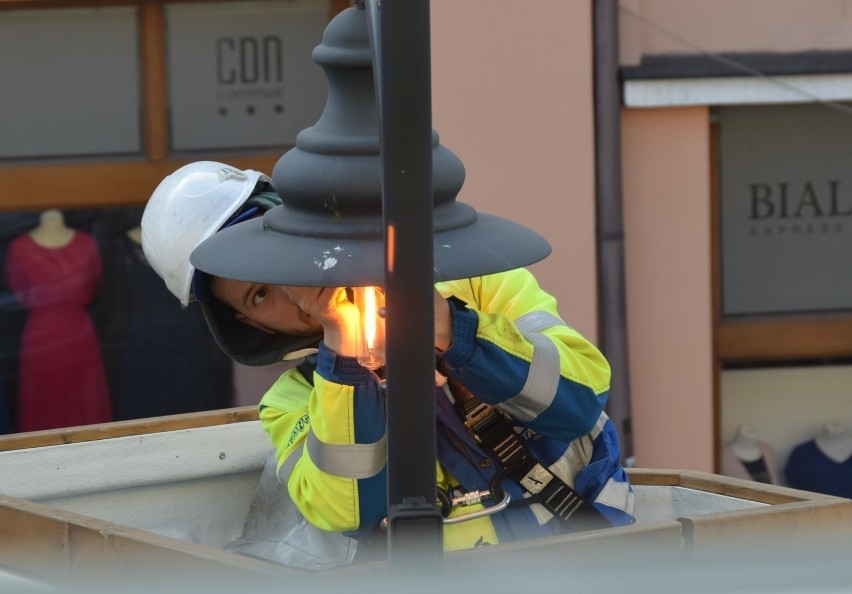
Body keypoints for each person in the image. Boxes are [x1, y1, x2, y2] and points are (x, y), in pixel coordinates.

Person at [142, 161, 635, 558]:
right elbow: (349, 509)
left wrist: (447, 328)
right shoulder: (292, 401)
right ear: (252, 327)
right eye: (260, 294)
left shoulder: (477, 283)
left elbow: (581, 398)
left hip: (591, 560)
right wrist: (344, 357)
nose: (292, 292)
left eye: (279, 252)